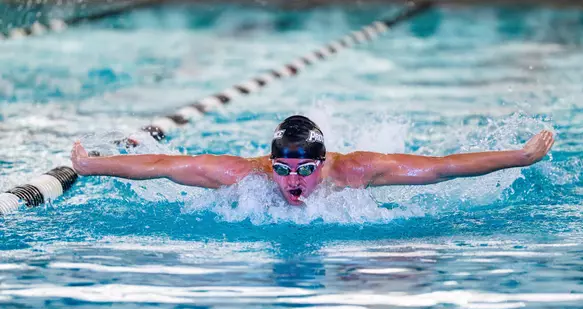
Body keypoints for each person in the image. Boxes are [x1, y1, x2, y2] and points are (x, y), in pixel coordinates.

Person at [71, 115, 555, 205]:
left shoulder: (355, 171)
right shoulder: (243, 176)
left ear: (324, 164)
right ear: (270, 162)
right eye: (283, 169)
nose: (293, 181)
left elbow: (443, 165)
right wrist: (92, 165)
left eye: (306, 169)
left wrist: (520, 157)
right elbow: (161, 166)